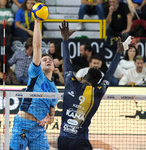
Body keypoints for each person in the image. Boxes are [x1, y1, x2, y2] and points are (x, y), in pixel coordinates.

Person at [58, 21, 124, 150]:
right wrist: (118, 53)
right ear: (98, 83)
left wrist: (65, 39)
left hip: (62, 140)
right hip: (79, 142)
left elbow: (66, 62)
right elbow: (109, 74)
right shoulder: (98, 92)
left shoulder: (70, 83)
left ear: (84, 75)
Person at [10, 19, 59, 150]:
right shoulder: (36, 73)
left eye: (50, 60)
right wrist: (37, 22)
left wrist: (48, 119)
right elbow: (37, 47)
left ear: (54, 66)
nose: (47, 60)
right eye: (44, 59)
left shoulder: (54, 90)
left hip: (39, 130)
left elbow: (52, 115)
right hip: (23, 124)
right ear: (39, 64)